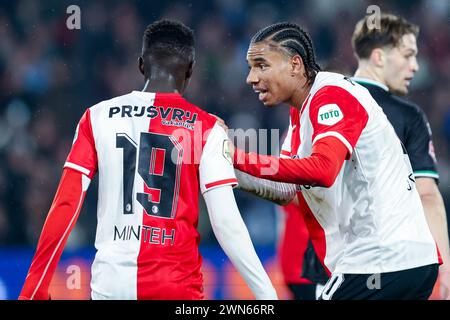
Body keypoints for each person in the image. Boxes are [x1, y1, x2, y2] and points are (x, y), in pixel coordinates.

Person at [19, 19, 277, 300]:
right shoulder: (205, 128)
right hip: (176, 288)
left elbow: (66, 205)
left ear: (141, 65)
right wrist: (269, 296)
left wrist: (35, 287)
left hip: (111, 287)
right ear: (190, 70)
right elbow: (226, 223)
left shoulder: (97, 117)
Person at [228, 21, 440, 299]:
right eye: (250, 67)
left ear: (295, 65)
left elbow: (323, 170)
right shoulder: (300, 113)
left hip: (380, 259)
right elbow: (287, 190)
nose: (251, 78)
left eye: (261, 65)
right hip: (400, 260)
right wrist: (225, 166)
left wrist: (239, 157)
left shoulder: (331, 96)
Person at [351, 13, 450, 299]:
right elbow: (427, 195)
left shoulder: (321, 98)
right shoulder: (408, 116)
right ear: (380, 57)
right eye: (408, 55)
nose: (415, 66)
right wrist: (445, 270)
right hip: (392, 265)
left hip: (325, 264)